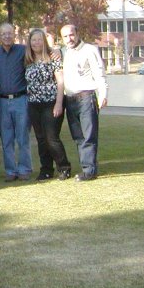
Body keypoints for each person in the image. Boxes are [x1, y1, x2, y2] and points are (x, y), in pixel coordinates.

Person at [60, 24, 107, 181]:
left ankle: (89, 171)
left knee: (88, 136)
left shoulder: (89, 50)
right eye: (65, 36)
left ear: (77, 33)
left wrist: (103, 94)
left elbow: (99, 73)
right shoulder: (64, 52)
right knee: (78, 137)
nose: (69, 39)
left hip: (86, 97)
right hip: (70, 99)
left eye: (71, 35)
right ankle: (88, 167)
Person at [0, 22, 31, 181]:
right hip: (2, 102)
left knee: (23, 137)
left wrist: (57, 51)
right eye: (3, 34)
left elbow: (41, 53)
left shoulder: (23, 50)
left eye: (9, 33)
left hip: (21, 99)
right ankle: (10, 171)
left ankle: (24, 169)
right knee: (6, 138)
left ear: (14, 35)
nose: (7, 36)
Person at [25, 28, 71, 181]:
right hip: (34, 104)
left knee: (51, 137)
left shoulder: (53, 57)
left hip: (51, 103)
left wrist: (59, 103)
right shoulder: (28, 60)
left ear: (44, 41)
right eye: (33, 40)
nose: (36, 43)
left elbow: (60, 82)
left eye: (39, 39)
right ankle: (46, 169)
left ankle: (64, 167)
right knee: (41, 139)